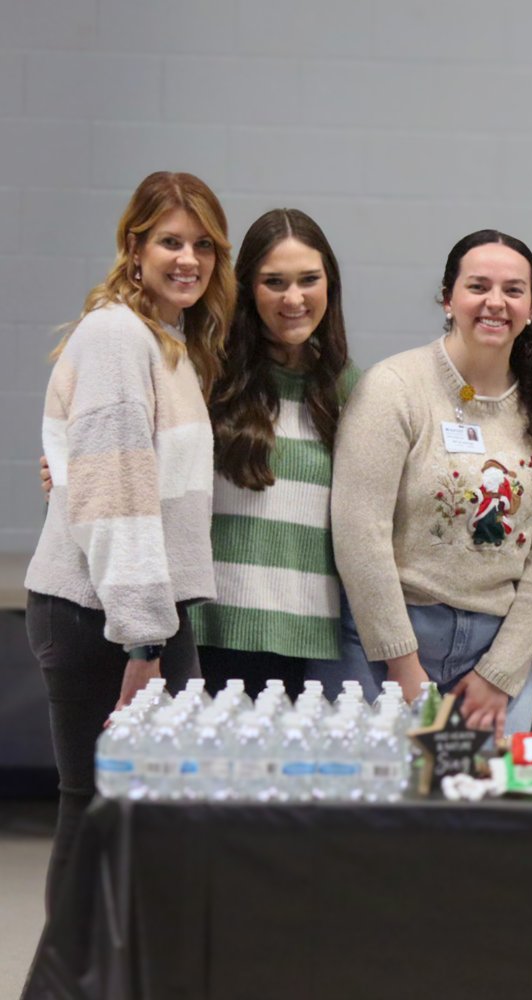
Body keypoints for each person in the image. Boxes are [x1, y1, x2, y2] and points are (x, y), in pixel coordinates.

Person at [24, 171, 234, 917]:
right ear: (134, 245)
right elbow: (117, 498)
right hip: (101, 615)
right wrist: (142, 644)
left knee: (146, 810)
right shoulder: (118, 334)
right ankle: (68, 982)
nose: (189, 259)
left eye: (203, 245)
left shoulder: (165, 337)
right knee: (95, 803)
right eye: (171, 242)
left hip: (142, 610)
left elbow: (86, 461)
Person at [330, 230, 532, 738]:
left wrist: (500, 673)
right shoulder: (394, 387)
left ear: (531, 308)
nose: (496, 302)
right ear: (447, 299)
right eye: (478, 286)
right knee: (381, 808)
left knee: (485, 807)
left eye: (513, 290)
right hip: (388, 641)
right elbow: (360, 531)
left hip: (494, 654)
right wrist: (402, 666)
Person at [190, 208, 359, 699]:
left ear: (330, 285)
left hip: (312, 651)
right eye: (273, 282)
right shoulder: (207, 380)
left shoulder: (352, 390)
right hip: (211, 638)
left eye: (309, 280)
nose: (294, 298)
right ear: (247, 289)